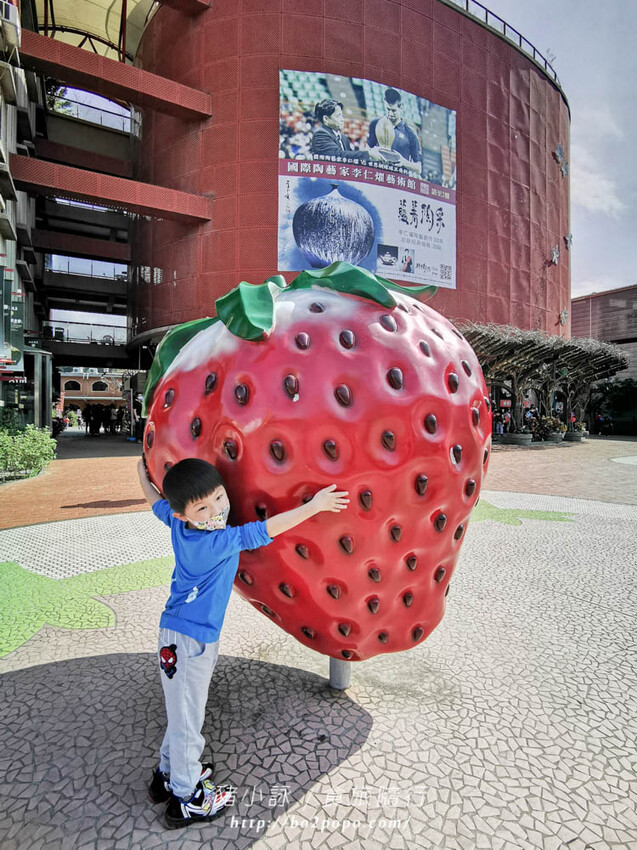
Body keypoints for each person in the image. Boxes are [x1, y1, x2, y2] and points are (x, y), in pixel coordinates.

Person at [137, 457, 349, 829]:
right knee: (188, 716)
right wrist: (314, 506)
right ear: (185, 514)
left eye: (219, 498)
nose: (217, 511)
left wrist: (141, 471)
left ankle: (167, 775)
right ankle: (187, 798)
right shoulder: (216, 541)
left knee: (184, 710)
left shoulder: (176, 523)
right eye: (203, 507)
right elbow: (265, 530)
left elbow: (153, 498)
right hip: (190, 641)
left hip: (180, 635)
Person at [367, 88, 422, 176]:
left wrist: (403, 162)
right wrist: (372, 152)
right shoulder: (375, 124)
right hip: (377, 177)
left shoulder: (411, 134)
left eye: (393, 110)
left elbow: (419, 168)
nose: (390, 114)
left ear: (401, 108)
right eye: (388, 109)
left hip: (398, 182)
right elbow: (366, 149)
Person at [311, 99, 385, 163]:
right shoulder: (320, 135)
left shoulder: (343, 138)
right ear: (326, 119)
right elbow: (338, 156)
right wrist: (368, 154)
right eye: (338, 116)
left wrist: (372, 153)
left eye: (342, 115)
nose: (343, 119)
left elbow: (351, 156)